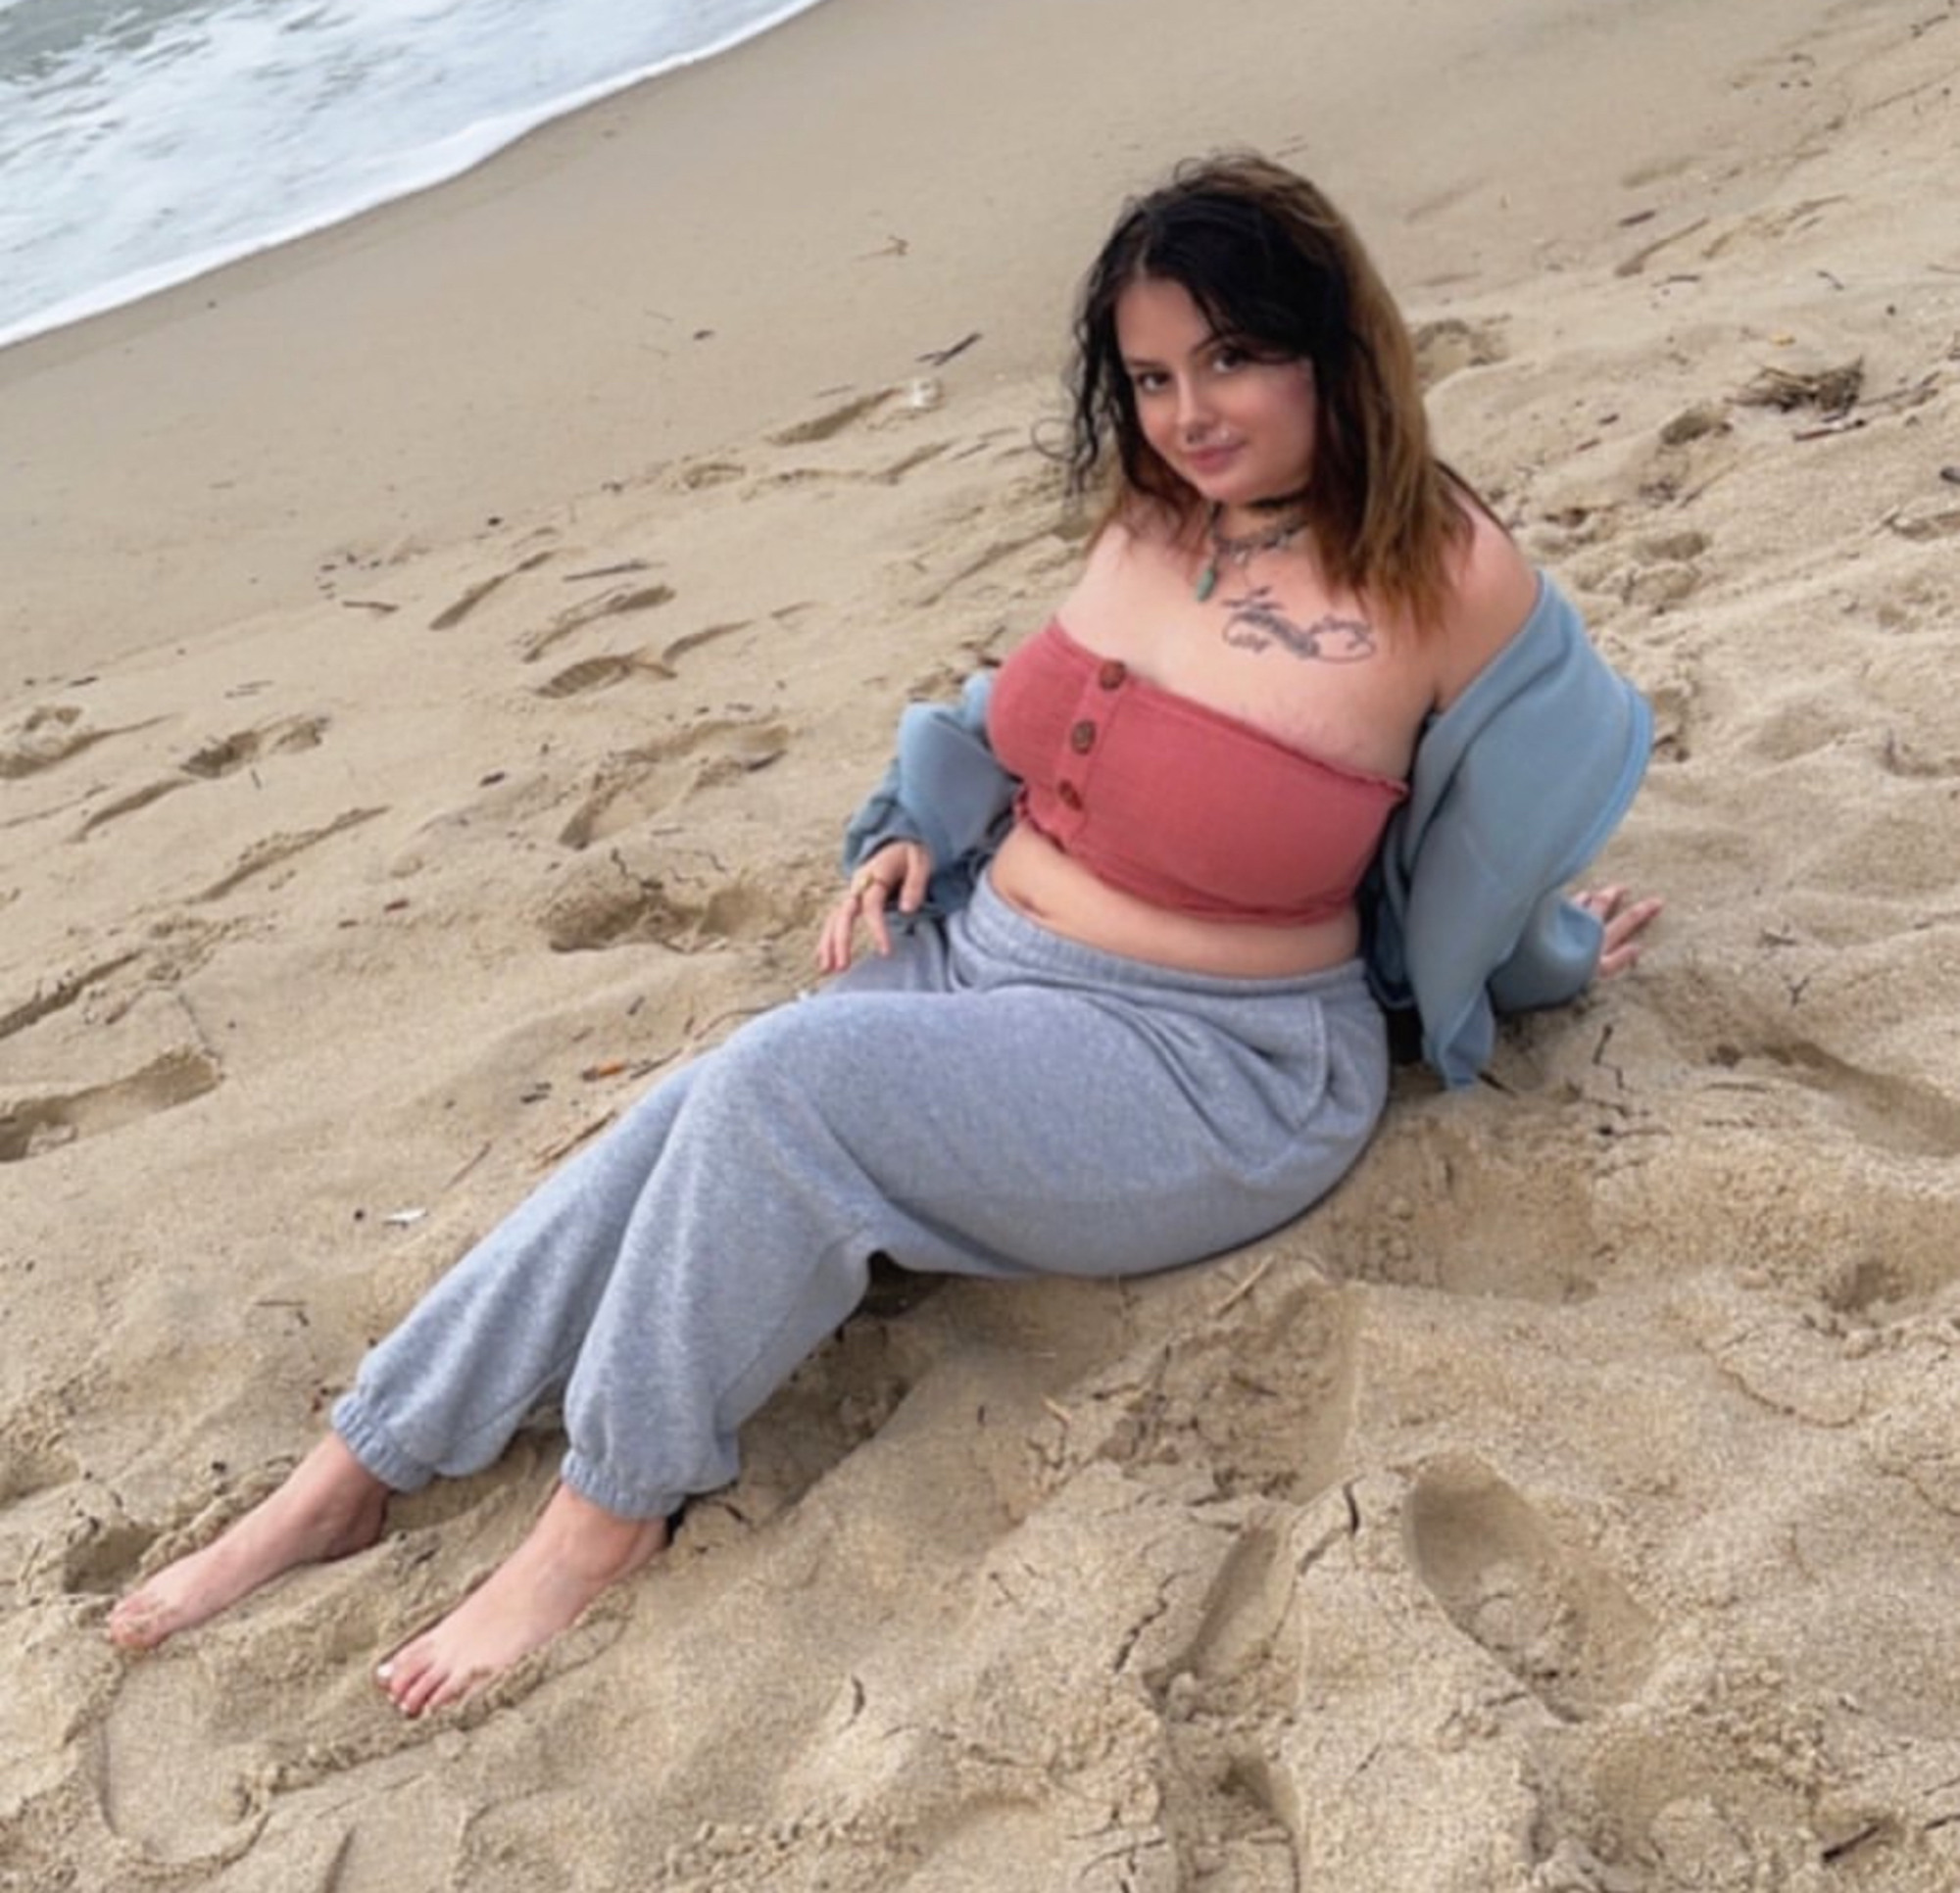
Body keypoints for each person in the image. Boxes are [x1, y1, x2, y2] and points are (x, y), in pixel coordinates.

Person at [107, 154, 1661, 1716]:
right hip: (977, 957)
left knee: (781, 1092)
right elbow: (1021, 721)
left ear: (1333, 345)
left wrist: (1546, 958)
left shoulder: (1446, 571)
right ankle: (358, 1467)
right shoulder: (1153, 514)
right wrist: (915, 823)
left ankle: (605, 1515)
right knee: (689, 1110)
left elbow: (1503, 832)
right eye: (1150, 378)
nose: (1189, 414)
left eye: (1233, 359)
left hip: (1208, 1064)